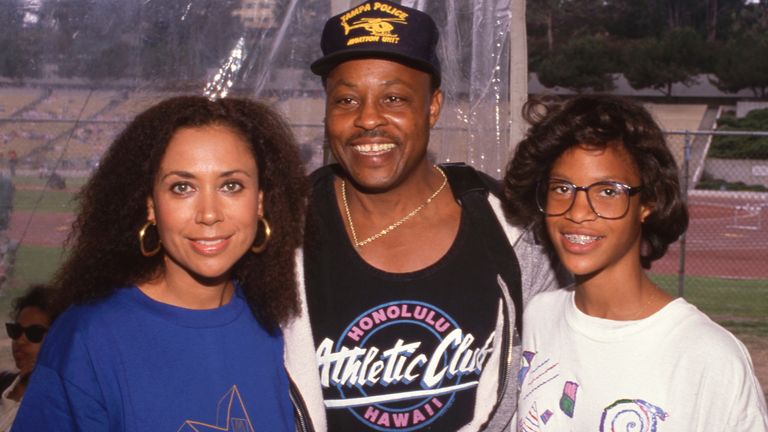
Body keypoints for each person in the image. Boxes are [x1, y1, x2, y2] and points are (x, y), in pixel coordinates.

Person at [282, 1, 564, 431]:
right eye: (346, 99)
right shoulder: (278, 233)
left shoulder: (512, 232)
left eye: (393, 98)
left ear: (432, 107)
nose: (368, 118)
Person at [13, 96, 310, 431]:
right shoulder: (89, 337)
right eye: (182, 187)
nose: (209, 214)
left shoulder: (273, 325)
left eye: (231, 185)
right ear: (151, 206)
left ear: (259, 202)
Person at [504, 95, 768, 431]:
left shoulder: (709, 356)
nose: (577, 211)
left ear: (648, 203)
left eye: (608, 191)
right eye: (562, 188)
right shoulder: (540, 316)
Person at [0, 285, 52, 431]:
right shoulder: (4, 384)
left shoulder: (59, 403)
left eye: (34, 333)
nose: (20, 340)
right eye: (15, 331)